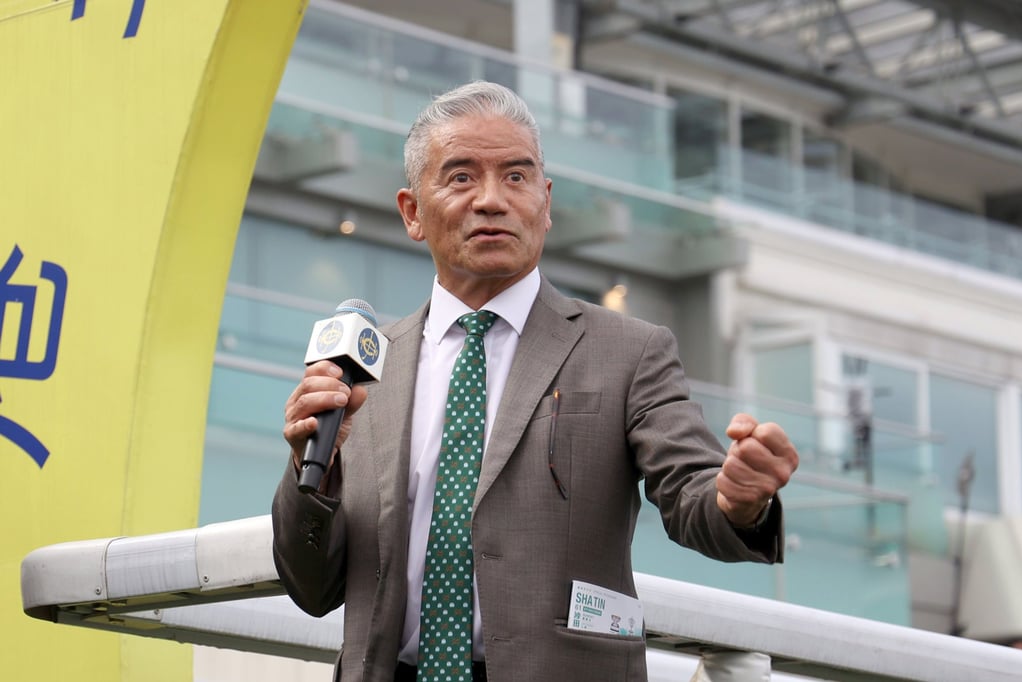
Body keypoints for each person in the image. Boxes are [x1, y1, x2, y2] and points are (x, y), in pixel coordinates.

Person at [272, 81, 799, 682]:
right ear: (413, 212)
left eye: (516, 178)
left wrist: (739, 499)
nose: (492, 200)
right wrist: (310, 476)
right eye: (462, 177)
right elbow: (311, 588)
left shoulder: (628, 350)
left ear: (546, 203)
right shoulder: (368, 367)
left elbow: (693, 496)